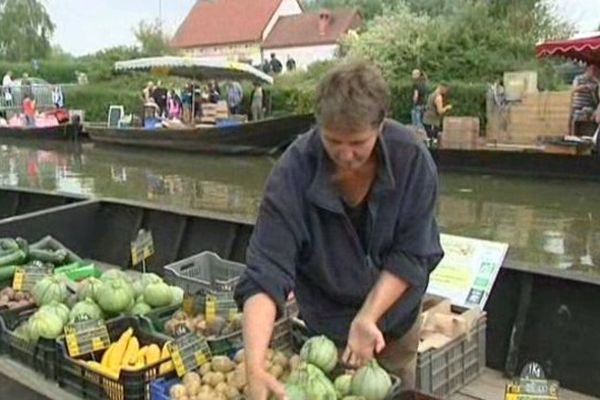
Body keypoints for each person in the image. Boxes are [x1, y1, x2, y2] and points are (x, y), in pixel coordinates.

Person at [234, 61, 443, 400]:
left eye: (358, 142)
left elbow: (413, 253)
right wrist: (255, 366)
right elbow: (266, 272)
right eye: (333, 141)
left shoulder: (412, 161)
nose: (346, 154)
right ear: (318, 127)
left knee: (395, 390)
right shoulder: (293, 172)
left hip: (395, 323)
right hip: (327, 328)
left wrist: (368, 316)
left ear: (380, 125)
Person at [570, 65, 599, 135]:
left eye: (596, 70)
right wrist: (584, 87)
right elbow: (574, 89)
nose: (594, 72)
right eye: (593, 70)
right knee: (576, 125)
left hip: (590, 107)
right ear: (587, 69)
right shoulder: (578, 78)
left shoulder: (595, 82)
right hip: (578, 107)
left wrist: (593, 92)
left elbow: (596, 98)